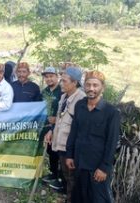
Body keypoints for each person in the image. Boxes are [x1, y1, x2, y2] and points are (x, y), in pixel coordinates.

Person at [66, 71, 120, 203]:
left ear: (103, 87)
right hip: (79, 163)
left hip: (97, 167)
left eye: (95, 85)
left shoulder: (111, 112)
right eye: (88, 85)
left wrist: (104, 167)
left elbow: (112, 142)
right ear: (84, 86)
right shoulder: (80, 106)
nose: (91, 88)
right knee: (78, 197)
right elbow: (74, 131)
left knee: (97, 199)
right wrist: (69, 154)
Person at [45, 67, 86, 202]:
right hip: (60, 143)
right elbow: (59, 118)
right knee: (66, 178)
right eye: (61, 81)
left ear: (75, 83)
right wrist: (51, 130)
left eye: (64, 81)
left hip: (70, 148)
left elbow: (81, 128)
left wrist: (73, 152)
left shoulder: (82, 100)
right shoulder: (63, 97)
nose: (61, 84)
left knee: (72, 180)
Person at [40, 67, 63, 188]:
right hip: (45, 126)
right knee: (50, 150)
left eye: (51, 76)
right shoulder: (44, 92)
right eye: (46, 77)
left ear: (57, 76)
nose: (49, 79)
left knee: (57, 151)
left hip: (58, 127)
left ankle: (60, 178)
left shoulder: (62, 91)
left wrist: (56, 119)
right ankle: (53, 173)